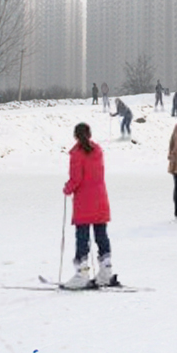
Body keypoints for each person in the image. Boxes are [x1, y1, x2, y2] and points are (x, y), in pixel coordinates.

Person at [62, 123, 114, 289]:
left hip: (84, 201)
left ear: (76, 136)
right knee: (101, 235)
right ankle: (106, 272)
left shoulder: (77, 154)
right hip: (100, 199)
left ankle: (82, 274)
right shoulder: (97, 150)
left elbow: (76, 179)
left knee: (82, 237)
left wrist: (67, 188)